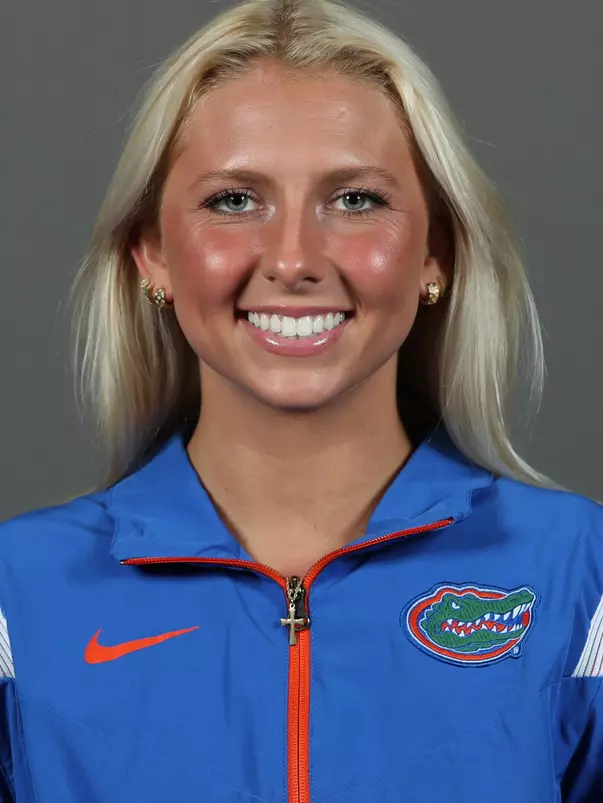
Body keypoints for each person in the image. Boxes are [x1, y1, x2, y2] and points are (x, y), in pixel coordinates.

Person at [0, 0, 602, 800]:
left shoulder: (578, 578)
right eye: (233, 200)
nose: (292, 259)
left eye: (354, 199)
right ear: (152, 256)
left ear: (435, 254)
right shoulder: (17, 599)